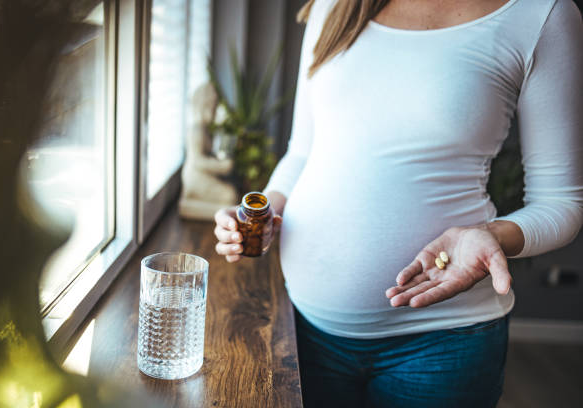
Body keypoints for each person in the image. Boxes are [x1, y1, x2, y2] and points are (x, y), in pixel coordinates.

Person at [214, 0, 583, 406]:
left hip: (443, 345)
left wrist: (489, 234)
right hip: (302, 328)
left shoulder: (541, 16)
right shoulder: (336, 6)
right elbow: (303, 152)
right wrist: (263, 212)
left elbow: (561, 203)